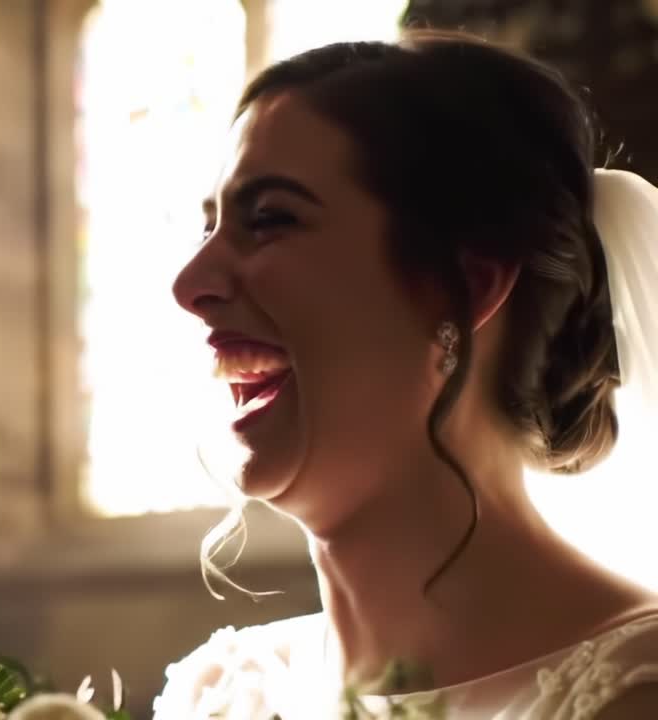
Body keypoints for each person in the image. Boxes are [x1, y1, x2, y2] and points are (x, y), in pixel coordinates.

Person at [156, 31, 658, 718]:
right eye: (208, 229)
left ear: (466, 286)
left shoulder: (635, 694)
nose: (191, 284)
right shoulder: (220, 692)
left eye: (271, 219)